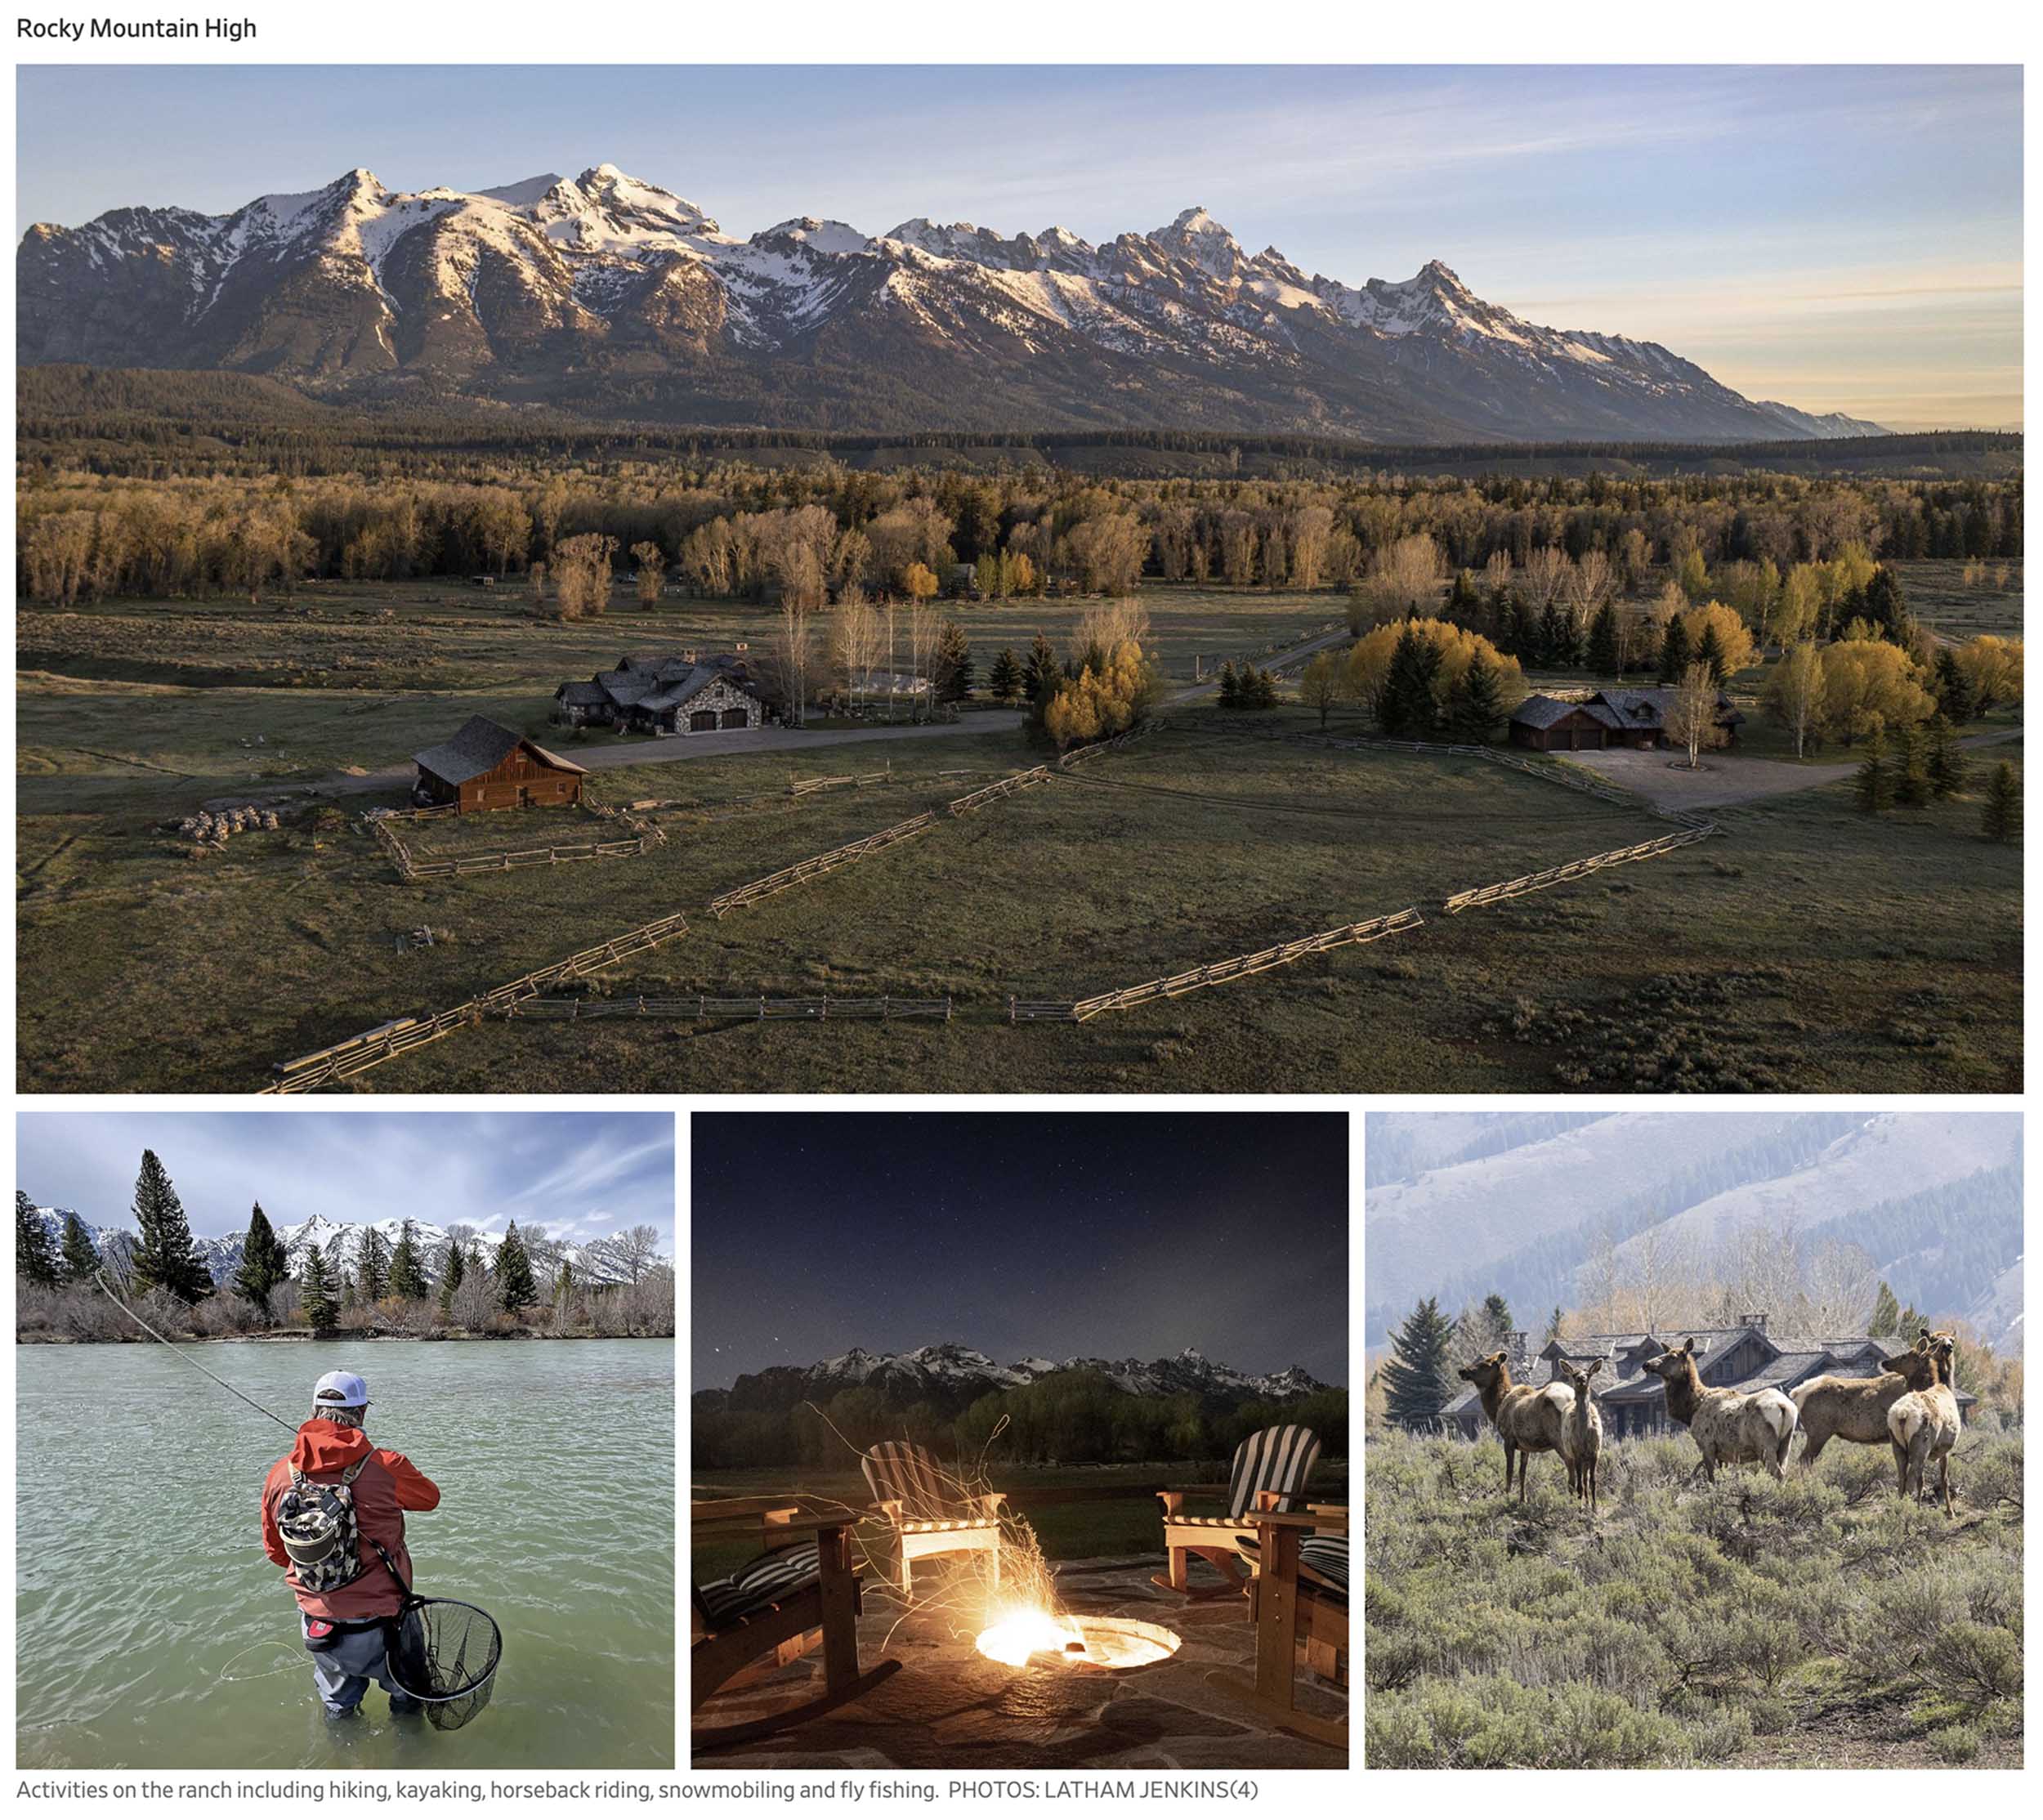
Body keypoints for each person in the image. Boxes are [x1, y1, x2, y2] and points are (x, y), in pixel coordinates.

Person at [260, 1371, 441, 1719]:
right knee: (408, 1702)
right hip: (386, 1620)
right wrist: (372, 1461)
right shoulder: (388, 1466)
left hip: (319, 1623)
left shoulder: (280, 1474)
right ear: (361, 1414)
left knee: (339, 1710)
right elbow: (429, 1499)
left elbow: (276, 1553)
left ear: (313, 1411)